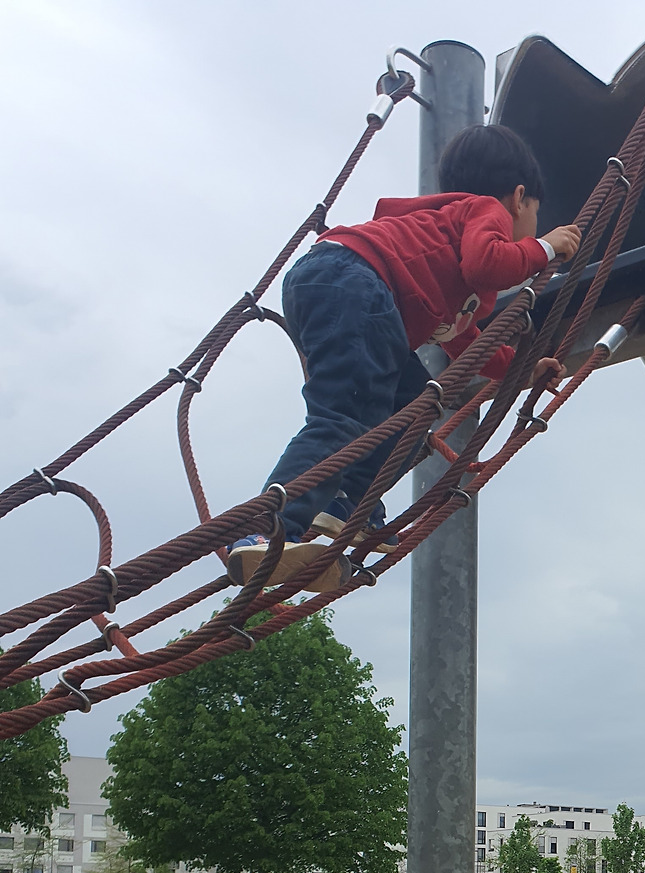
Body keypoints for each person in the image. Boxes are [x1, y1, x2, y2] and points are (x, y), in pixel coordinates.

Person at [228, 124, 582, 590]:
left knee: (414, 411)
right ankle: (267, 530)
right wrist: (546, 247)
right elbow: (488, 264)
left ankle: (346, 508)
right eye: (535, 214)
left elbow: (466, 345)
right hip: (355, 280)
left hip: (344, 287)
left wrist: (522, 370)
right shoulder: (485, 212)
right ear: (519, 199)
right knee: (346, 416)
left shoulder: (452, 254)